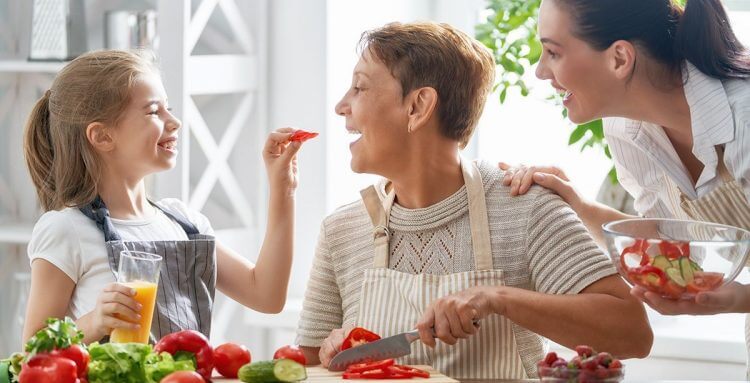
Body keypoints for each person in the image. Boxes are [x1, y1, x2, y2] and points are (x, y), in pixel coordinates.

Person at [295, 21, 652, 379]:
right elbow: (306, 367)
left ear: (418, 107)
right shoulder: (341, 231)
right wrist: (332, 351)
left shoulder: (525, 207)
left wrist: (497, 298)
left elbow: (633, 334)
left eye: (359, 88)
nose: (342, 106)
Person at [501, 0, 750, 376]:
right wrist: (576, 204)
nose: (539, 71)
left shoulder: (744, 117)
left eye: (552, 52)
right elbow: (670, 239)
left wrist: (738, 299)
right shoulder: (627, 131)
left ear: (619, 58)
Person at [22, 49, 309, 344]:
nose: (175, 121)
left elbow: (266, 295)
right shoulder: (66, 229)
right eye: (153, 111)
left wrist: (283, 190)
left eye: (168, 108)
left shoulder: (185, 223)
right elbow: (32, 351)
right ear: (103, 136)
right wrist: (92, 323)